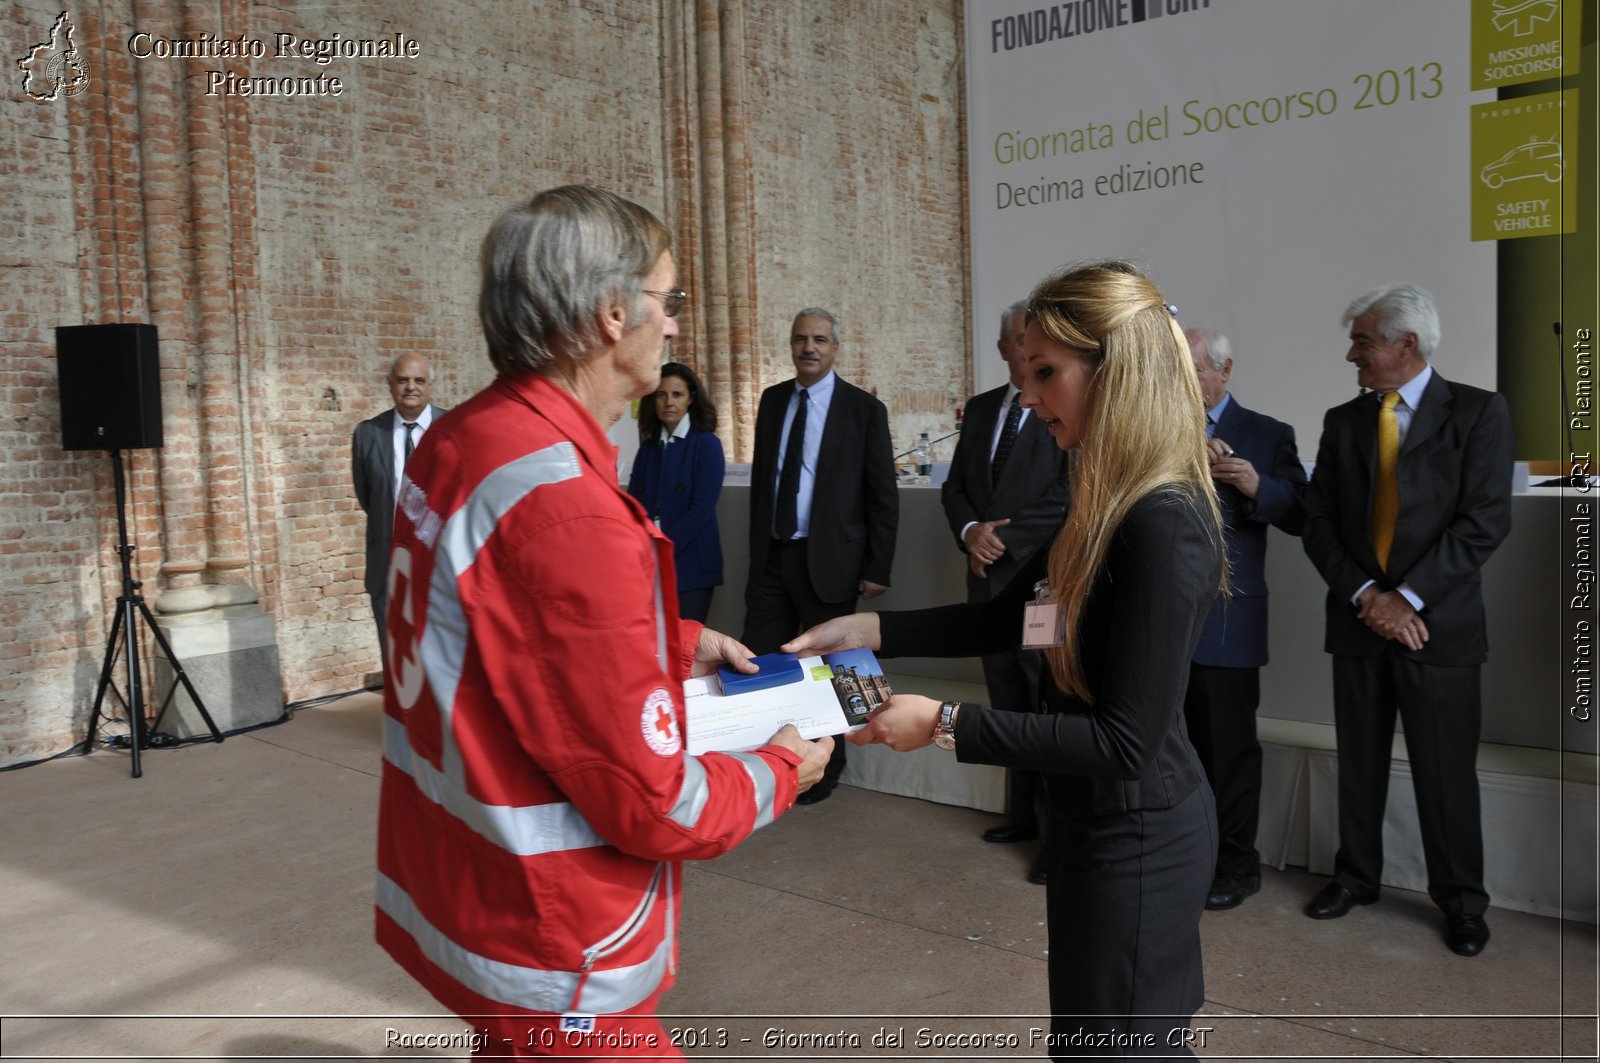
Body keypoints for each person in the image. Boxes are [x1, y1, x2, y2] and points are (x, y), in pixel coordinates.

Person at [373, 185, 831, 1058]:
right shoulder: (567, 507)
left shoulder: (465, 439)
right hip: (562, 941)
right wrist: (780, 768)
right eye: (668, 301)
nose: (674, 328)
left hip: (475, 890)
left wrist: (675, 640)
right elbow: (657, 805)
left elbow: (499, 626)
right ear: (609, 313)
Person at [788, 261, 1226, 1057]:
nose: (1027, 397)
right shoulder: (1097, 496)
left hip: (1139, 835)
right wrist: (870, 631)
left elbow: (1125, 742)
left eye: (1046, 372)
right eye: (1025, 373)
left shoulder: (1162, 520)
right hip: (1091, 821)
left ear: (1115, 370)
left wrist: (943, 722)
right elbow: (1007, 618)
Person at [1301, 283, 1513, 958]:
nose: (1350, 354)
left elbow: (1484, 522)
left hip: (1438, 626)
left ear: (1405, 344)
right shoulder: (1343, 421)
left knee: (1446, 772)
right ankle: (1356, 877)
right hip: (1360, 620)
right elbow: (1319, 523)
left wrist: (1406, 599)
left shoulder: (1479, 412)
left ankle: (1461, 902)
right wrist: (1368, 595)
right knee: (1358, 763)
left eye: (1362, 340)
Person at [741, 307, 899, 803]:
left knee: (831, 670)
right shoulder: (771, 401)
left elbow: (882, 494)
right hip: (774, 555)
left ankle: (826, 770)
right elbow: (765, 484)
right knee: (761, 660)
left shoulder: (863, 410)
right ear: (791, 345)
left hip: (834, 562)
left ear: (835, 348)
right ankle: (768, 760)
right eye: (800, 339)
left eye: (820, 340)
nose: (809, 347)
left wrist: (877, 567)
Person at [941, 299, 1072, 882]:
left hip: (1043, 583)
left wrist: (1005, 540)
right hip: (984, 585)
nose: (1027, 349)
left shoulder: (1065, 407)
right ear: (1004, 348)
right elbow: (955, 489)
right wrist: (972, 532)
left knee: (1048, 707)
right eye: (1021, 339)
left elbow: (1069, 494)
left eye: (1035, 340)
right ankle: (1021, 816)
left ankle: (1057, 835)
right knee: (1008, 704)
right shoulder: (981, 408)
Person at [1183, 328, 1307, 911]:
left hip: (1229, 619)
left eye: (1195, 368)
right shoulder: (1158, 427)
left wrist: (1259, 486)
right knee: (1170, 744)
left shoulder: (1268, 433)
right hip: (1163, 615)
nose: (1183, 379)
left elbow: (1305, 513)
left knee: (1229, 750)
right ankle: (1182, 855)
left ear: (1225, 369)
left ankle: (1236, 865)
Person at [351, 354, 446, 672]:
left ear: (431, 386)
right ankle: (401, 719)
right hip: (388, 558)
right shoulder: (367, 433)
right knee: (394, 650)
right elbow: (369, 497)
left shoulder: (452, 429)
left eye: (419, 381)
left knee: (440, 647)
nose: (410, 387)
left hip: (440, 558)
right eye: (403, 380)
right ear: (390, 384)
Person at [627, 361, 726, 622]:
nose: (669, 402)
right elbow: (634, 506)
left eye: (677, 394)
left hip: (690, 563)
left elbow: (701, 511)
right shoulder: (648, 448)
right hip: (648, 563)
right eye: (661, 394)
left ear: (691, 399)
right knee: (650, 647)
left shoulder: (707, 444)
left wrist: (660, 547)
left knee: (685, 649)